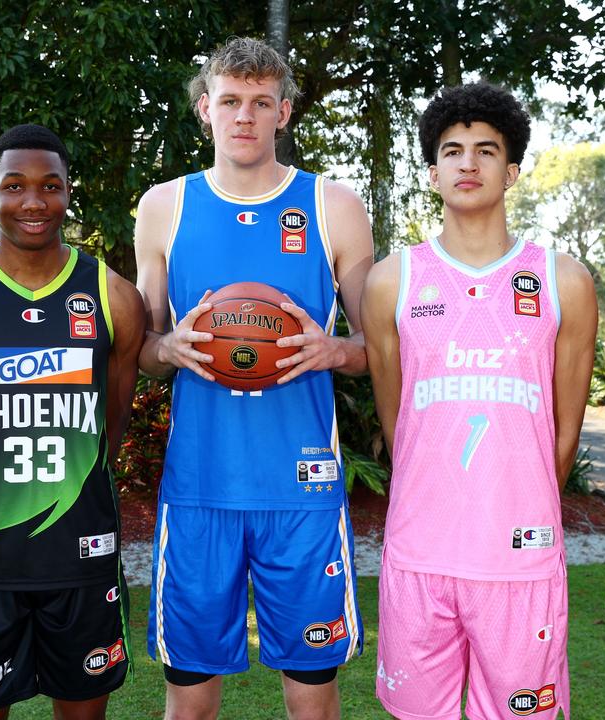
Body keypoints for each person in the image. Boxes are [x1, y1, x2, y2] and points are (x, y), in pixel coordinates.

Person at [133, 37, 374, 719]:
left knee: (311, 699)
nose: (245, 115)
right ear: (205, 108)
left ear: (284, 112)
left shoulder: (332, 205)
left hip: (303, 491)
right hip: (200, 488)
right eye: (231, 101)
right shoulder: (164, 206)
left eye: (261, 102)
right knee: (190, 703)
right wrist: (168, 347)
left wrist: (335, 352)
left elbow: (376, 345)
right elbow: (144, 348)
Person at [361, 82, 596, 720]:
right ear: (432, 172)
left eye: (486, 151)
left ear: (511, 170)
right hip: (420, 551)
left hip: (518, 557)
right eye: (453, 151)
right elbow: (398, 417)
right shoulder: (392, 279)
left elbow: (564, 434)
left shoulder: (562, 280)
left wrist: (515, 508)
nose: (468, 163)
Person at [0, 123, 145, 719]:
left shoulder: (113, 296)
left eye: (50, 186)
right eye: (14, 186)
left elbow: (111, 425)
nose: (33, 202)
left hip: (82, 558)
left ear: (68, 193)